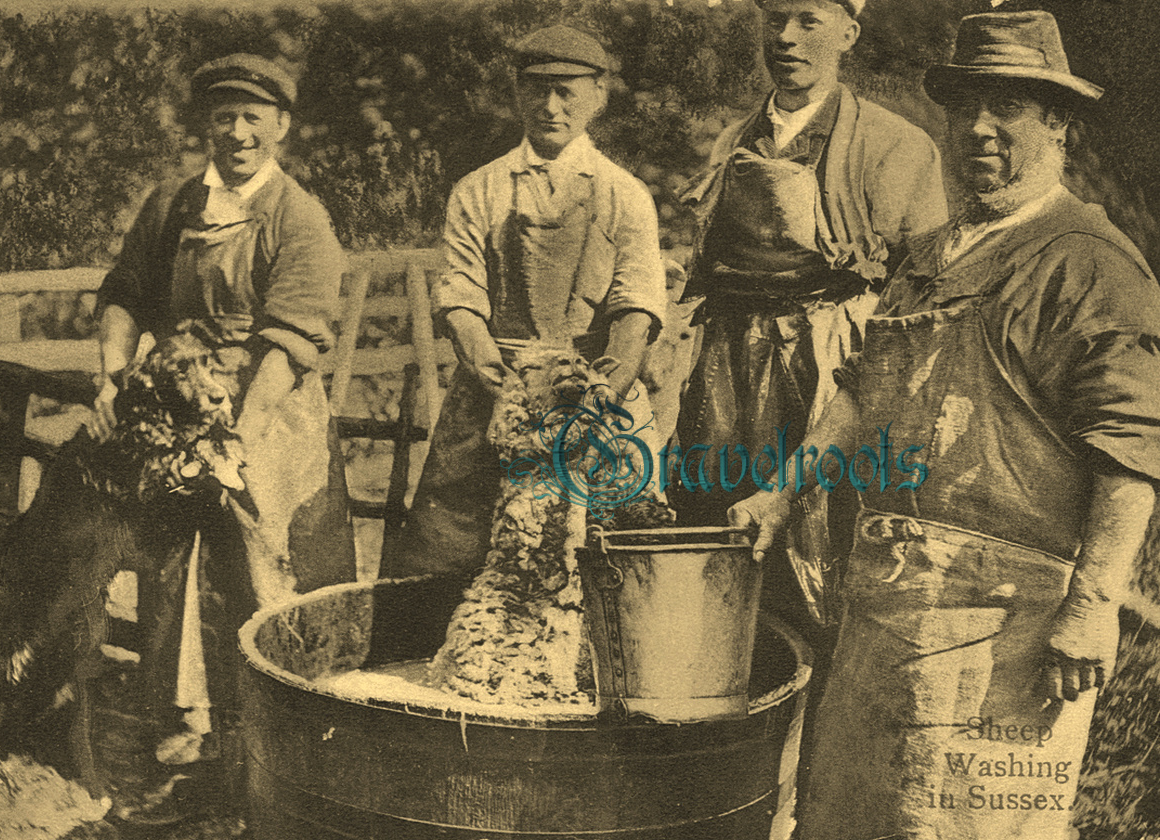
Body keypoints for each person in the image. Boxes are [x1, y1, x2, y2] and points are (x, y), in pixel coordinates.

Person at [729, 11, 1160, 839]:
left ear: (1060, 124)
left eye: (1008, 109)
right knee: (847, 819)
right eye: (965, 108)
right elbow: (859, 395)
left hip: (1005, 629)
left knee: (964, 827)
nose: (980, 130)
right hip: (883, 614)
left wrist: (1095, 601)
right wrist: (782, 491)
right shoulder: (930, 255)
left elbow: (1132, 448)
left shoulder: (1088, 262)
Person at [92, 53, 356, 821]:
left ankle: (278, 766)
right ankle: (185, 753)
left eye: (253, 118)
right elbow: (125, 292)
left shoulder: (297, 216)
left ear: (280, 125)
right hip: (180, 409)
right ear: (204, 124)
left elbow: (292, 339)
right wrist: (114, 376)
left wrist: (233, 440)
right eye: (222, 117)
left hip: (266, 419)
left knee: (264, 573)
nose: (237, 133)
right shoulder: (175, 205)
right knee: (172, 573)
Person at [673, 0, 948, 629]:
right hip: (732, 361)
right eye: (775, 20)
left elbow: (924, 293)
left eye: (809, 21)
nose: (787, 38)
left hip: (833, 360)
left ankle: (818, 684)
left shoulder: (897, 146)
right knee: (717, 511)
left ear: (848, 34)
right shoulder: (734, 140)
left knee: (828, 527)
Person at [383, 25, 667, 581]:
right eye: (537, 88)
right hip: (496, 390)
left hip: (596, 392)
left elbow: (636, 309)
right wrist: (508, 393)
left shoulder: (625, 193)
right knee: (457, 549)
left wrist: (601, 396)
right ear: (517, 93)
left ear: (599, 95)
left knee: (614, 551)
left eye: (568, 90)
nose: (551, 105)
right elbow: (461, 299)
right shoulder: (478, 189)